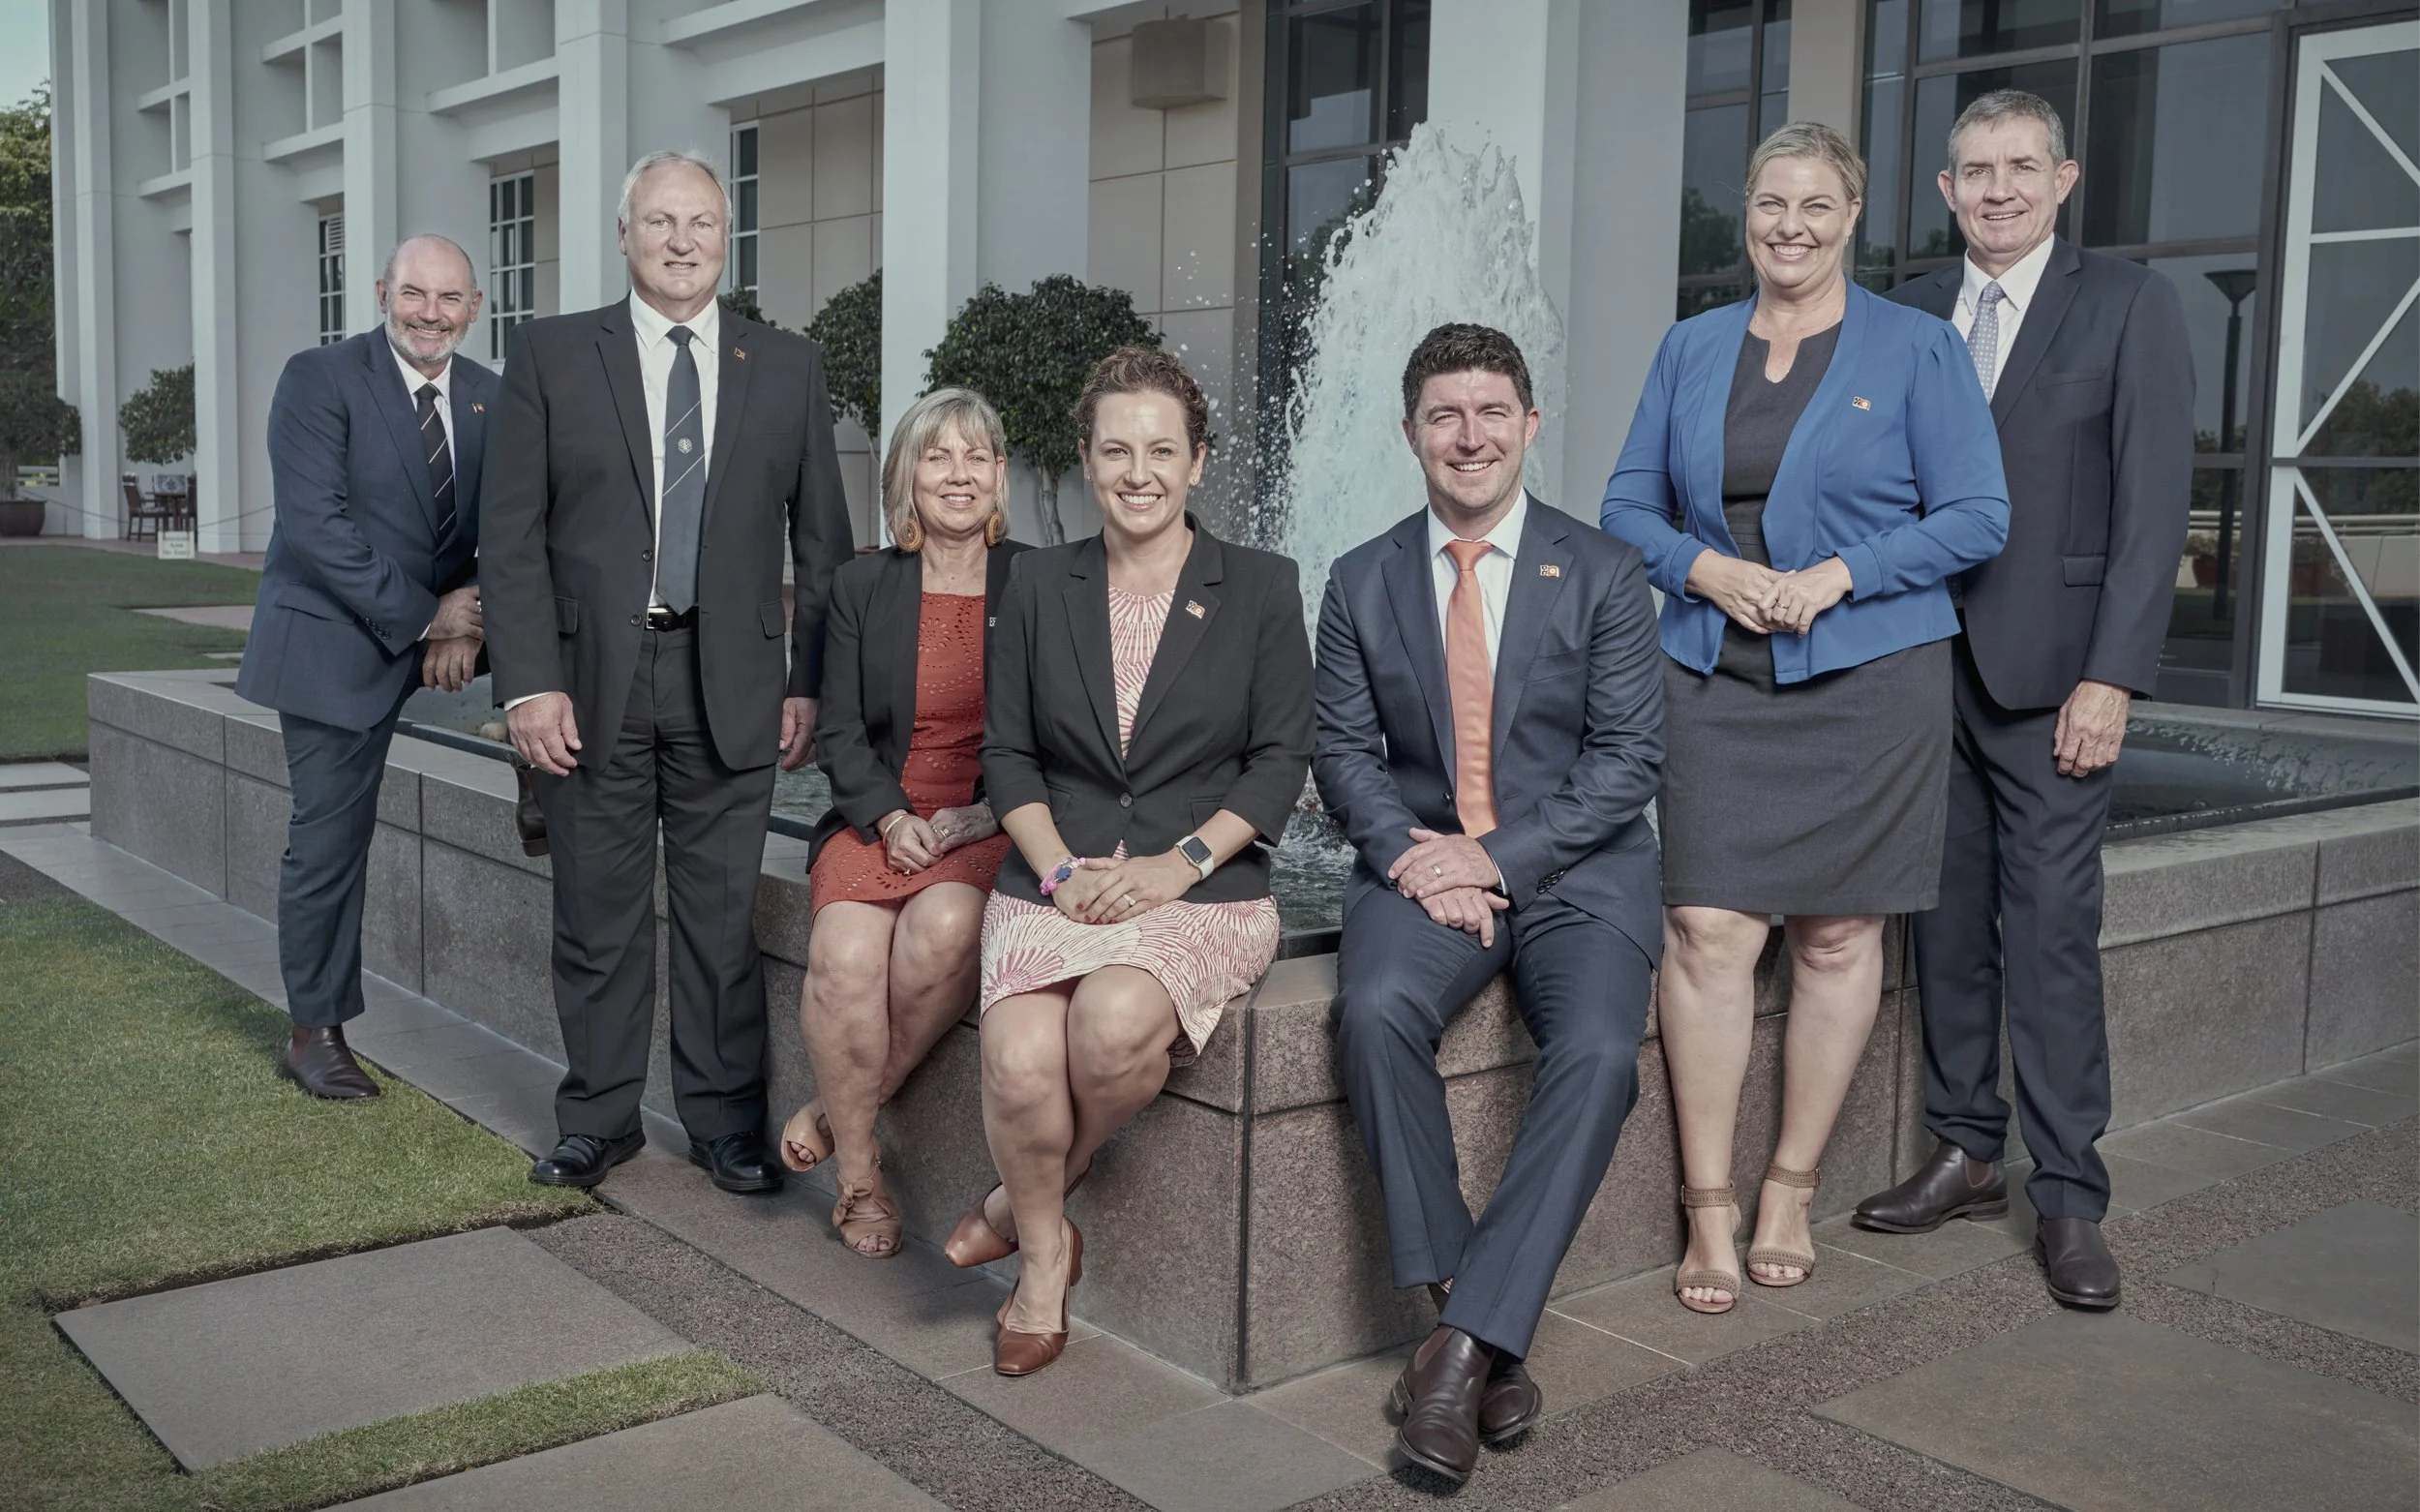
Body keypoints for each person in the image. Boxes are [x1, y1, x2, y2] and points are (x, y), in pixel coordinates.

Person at [1601, 122, 2010, 1317]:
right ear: (1747, 212)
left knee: (1835, 938)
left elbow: (1977, 514)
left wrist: (1842, 574)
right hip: (1715, 673)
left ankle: (1788, 1186)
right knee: (1708, 933)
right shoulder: (1689, 346)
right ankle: (1708, 1205)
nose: (1791, 224)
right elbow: (1627, 500)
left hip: (1869, 681)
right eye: (1772, 203)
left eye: (1817, 205)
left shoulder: (1919, 348)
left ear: (1853, 216)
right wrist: (1702, 571)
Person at [1854, 91, 2193, 1311]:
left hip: (2056, 680)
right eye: (1974, 171)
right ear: (1944, 191)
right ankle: (1963, 1147)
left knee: (2047, 930)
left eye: (2019, 167)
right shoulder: (1899, 316)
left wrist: (2113, 672)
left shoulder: (2128, 304)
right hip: (1915, 669)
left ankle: (2067, 1193)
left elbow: (2154, 508)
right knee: (1940, 923)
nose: (1996, 188)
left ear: (2063, 179)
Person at [1317, 324, 1665, 1484]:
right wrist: (1416, 859)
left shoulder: (1604, 570)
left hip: (1575, 873)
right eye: (1443, 415)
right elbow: (1342, 751)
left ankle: (1456, 1350)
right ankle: (1477, 1315)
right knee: (1369, 1012)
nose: (1469, 436)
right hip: (1417, 865)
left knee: (1605, 1048)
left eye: (1490, 411)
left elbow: (1626, 762)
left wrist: (1494, 860)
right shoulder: (1360, 575)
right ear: (1410, 431)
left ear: (1529, 422)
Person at [482, 150, 854, 1194]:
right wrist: (528, 682)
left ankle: (724, 1122)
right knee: (595, 914)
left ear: (723, 238)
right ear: (624, 235)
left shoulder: (787, 365)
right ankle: (599, 1118)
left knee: (719, 917)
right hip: (590, 682)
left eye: (699, 221)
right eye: (659, 221)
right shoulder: (552, 355)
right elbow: (509, 538)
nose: (681, 239)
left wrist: (810, 683)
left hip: (732, 679)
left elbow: (823, 546)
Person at [948, 347, 1313, 1377]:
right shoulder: (1031, 582)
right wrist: (1060, 870)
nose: (1139, 469)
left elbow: (1282, 755)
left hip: (1201, 882)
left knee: (1110, 1028)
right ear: (1087, 457)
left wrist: (1176, 863)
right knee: (1018, 1056)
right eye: (1117, 448)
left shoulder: (1258, 586)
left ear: (1198, 461)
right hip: (1052, 870)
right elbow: (1006, 751)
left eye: (1162, 448)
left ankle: (1014, 1208)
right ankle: (1047, 1256)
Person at [237, 235, 494, 1099]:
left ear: (476, 308)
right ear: (383, 291)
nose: (431, 313)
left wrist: (467, 621)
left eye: (449, 298)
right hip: (331, 641)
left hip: (441, 634)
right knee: (330, 843)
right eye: (414, 294)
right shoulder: (321, 379)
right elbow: (317, 529)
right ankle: (315, 1030)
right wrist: (429, 617)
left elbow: (510, 523)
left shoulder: (495, 396)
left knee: (561, 707)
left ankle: (545, 804)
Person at [775, 387, 1028, 1257]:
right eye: (936, 456)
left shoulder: (1044, 579)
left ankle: (841, 1109)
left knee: (946, 926)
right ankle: (858, 1179)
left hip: (995, 812)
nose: (957, 475)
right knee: (844, 956)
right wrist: (886, 816)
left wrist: (977, 817)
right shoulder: (861, 585)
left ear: (1000, 476)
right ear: (906, 478)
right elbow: (839, 729)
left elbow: (1062, 733)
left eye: (975, 457)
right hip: (879, 808)